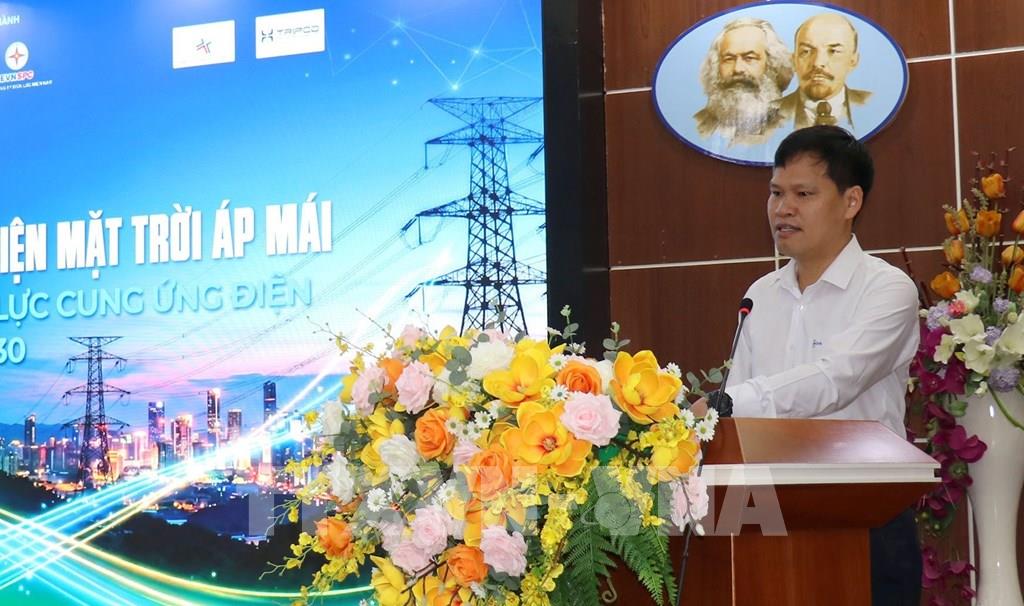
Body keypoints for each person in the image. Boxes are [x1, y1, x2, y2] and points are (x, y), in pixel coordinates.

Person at [699, 126, 921, 605]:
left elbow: (836, 377)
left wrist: (727, 402)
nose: (783, 208)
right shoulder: (760, 295)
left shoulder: (887, 289)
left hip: (865, 518)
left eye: (803, 194)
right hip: (768, 520)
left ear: (851, 201)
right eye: (776, 192)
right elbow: (739, 423)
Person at [693, 18, 793, 147]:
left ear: (772, 64)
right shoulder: (700, 124)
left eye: (749, 58)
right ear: (716, 66)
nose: (737, 69)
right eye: (729, 59)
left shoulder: (789, 124)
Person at [769, 12, 871, 132]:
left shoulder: (873, 105)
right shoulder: (768, 116)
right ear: (794, 60)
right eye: (806, 51)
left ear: (853, 61)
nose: (818, 63)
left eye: (833, 51)